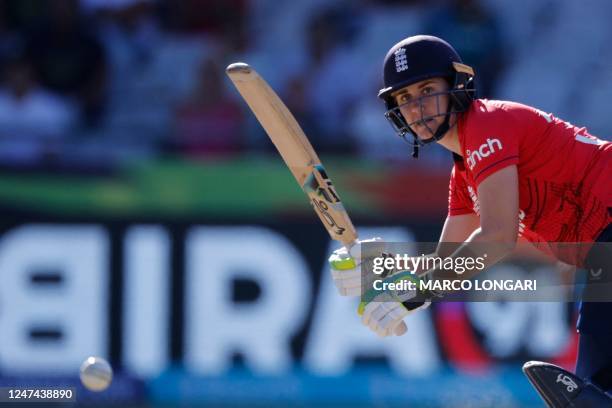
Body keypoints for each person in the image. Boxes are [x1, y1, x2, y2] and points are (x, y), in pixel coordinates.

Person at [328, 35, 611, 403]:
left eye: (427, 89)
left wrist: (415, 292)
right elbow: (447, 264)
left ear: (458, 85)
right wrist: (382, 270)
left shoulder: (486, 125)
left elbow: (496, 237)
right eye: (404, 98)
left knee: (591, 393)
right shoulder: (465, 177)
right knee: (593, 393)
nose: (416, 107)